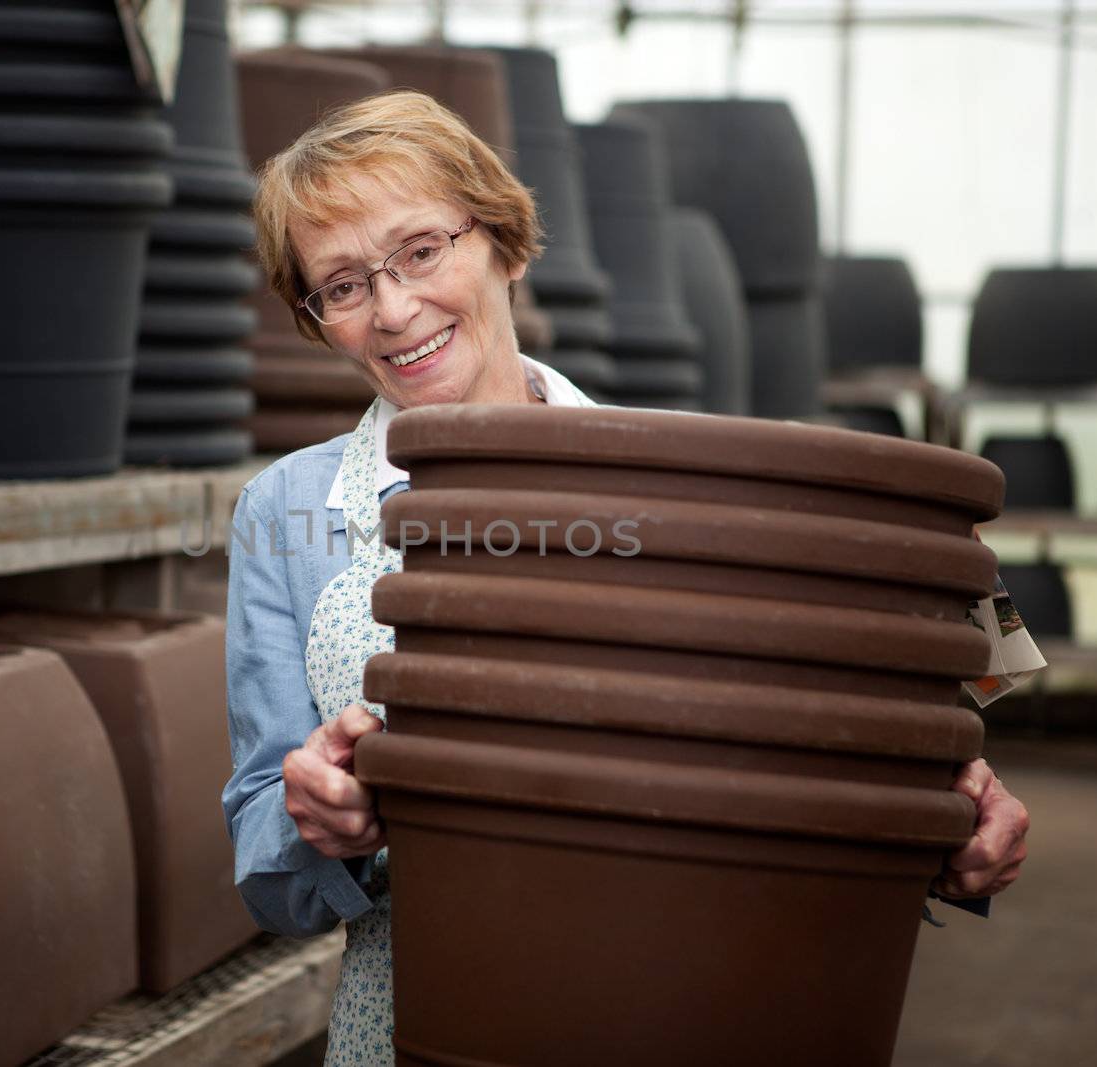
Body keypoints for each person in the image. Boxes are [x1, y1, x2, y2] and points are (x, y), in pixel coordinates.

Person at [222, 89, 1030, 1067]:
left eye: (421, 251)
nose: (393, 309)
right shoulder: (288, 514)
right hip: (419, 1022)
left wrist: (951, 824)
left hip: (679, 1003)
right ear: (317, 319)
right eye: (342, 286)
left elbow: (805, 760)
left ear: (505, 243)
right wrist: (315, 821)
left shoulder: (677, 482)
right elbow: (264, 856)